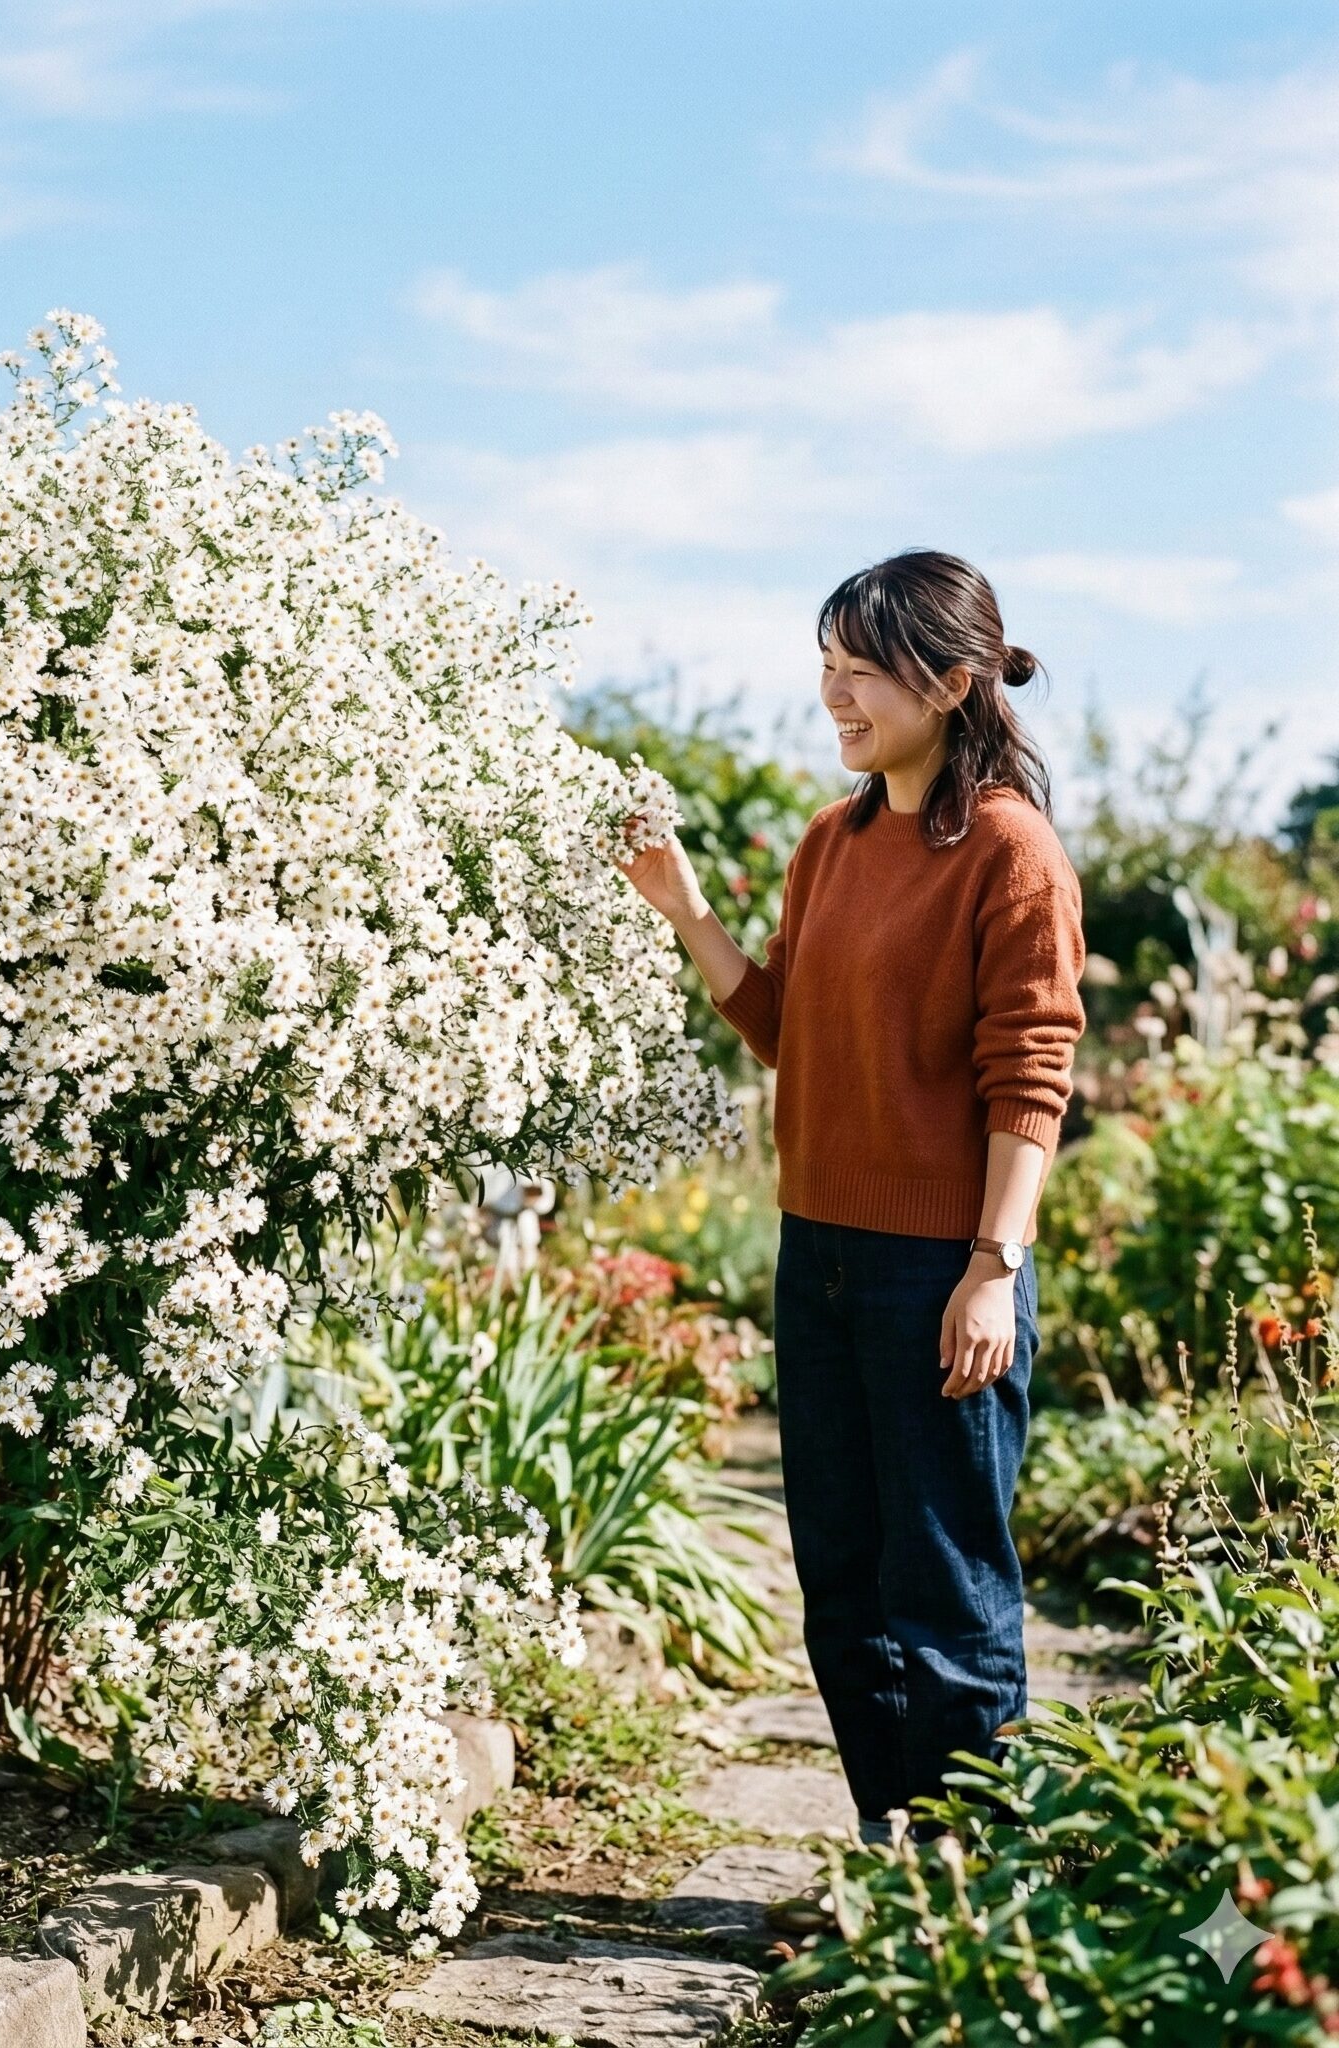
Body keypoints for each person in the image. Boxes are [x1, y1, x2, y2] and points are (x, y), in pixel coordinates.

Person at [620, 550, 1086, 1932]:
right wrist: (686, 910)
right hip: (817, 1259)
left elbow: (1033, 1071)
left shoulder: (1009, 847)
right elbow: (789, 1036)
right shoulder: (833, 843)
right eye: (826, 661)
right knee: (843, 1583)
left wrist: (990, 1270)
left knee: (944, 1593)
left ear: (951, 683)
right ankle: (897, 1862)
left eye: (862, 666)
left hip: (941, 1271)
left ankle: (976, 1896)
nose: (834, 691)